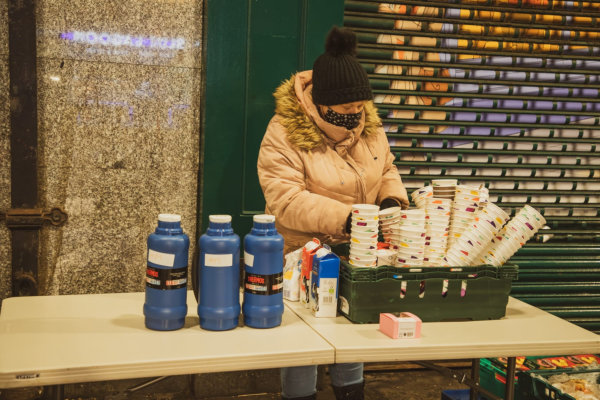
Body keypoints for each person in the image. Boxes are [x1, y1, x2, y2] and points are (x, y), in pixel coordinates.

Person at [257, 26, 409, 400]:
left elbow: (387, 168)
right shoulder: (284, 133)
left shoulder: (368, 125)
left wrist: (391, 200)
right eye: (345, 110)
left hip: (357, 255)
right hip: (301, 257)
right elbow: (286, 200)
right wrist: (348, 218)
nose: (355, 115)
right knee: (302, 348)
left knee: (352, 336)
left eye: (359, 108)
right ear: (321, 103)